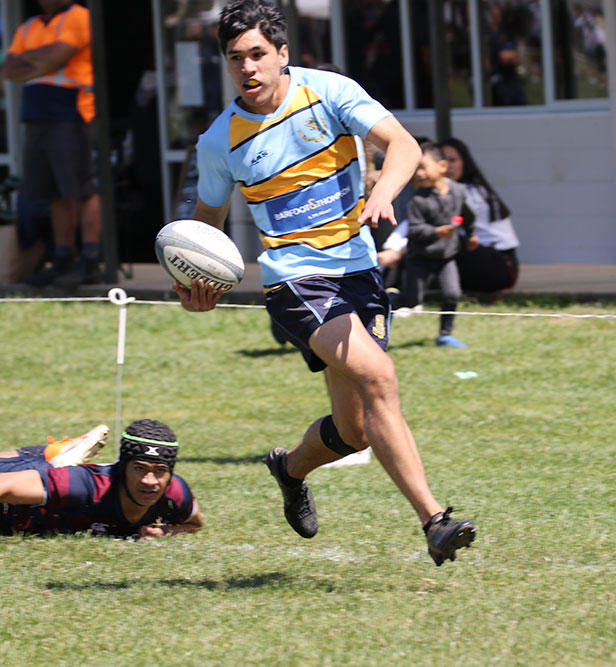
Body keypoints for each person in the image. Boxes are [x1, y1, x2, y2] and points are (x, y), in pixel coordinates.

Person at [174, 0, 475, 566]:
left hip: (359, 270)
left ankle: (289, 469)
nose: (248, 68)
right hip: (295, 281)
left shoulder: (330, 92)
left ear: (283, 53)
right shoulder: (219, 141)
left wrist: (383, 191)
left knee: (354, 429)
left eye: (258, 54)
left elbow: (404, 146)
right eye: (236, 58)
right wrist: (197, 285)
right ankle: (435, 521)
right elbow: (205, 229)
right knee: (379, 375)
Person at [0, 420, 203, 553]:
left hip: (31, 492)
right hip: (10, 499)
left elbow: (194, 524)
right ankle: (52, 458)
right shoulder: (84, 486)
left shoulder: (175, 494)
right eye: (139, 469)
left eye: (159, 471)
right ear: (122, 466)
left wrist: (164, 531)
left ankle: (54, 455)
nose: (150, 481)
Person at [0, 0, 103, 289]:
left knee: (81, 188)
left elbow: (57, 57)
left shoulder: (78, 16)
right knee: (55, 193)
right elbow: (9, 69)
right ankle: (62, 260)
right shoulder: (28, 26)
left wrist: (30, 60)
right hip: (36, 115)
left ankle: (90, 259)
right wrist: (40, 59)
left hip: (70, 112)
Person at [400, 141, 476, 348]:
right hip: (420, 256)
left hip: (446, 256)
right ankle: (386, 302)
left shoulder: (458, 191)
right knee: (411, 299)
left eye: (423, 167)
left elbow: (468, 215)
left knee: (452, 294)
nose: (419, 174)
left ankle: (445, 335)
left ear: (442, 166)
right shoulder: (417, 199)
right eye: (416, 169)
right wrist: (436, 232)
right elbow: (414, 229)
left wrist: (471, 235)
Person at [440, 137, 520, 302]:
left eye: (452, 160)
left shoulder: (468, 192)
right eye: (442, 161)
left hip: (500, 266)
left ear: (465, 163)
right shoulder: (464, 189)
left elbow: (440, 224)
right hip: (487, 261)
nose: (447, 166)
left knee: (439, 238)